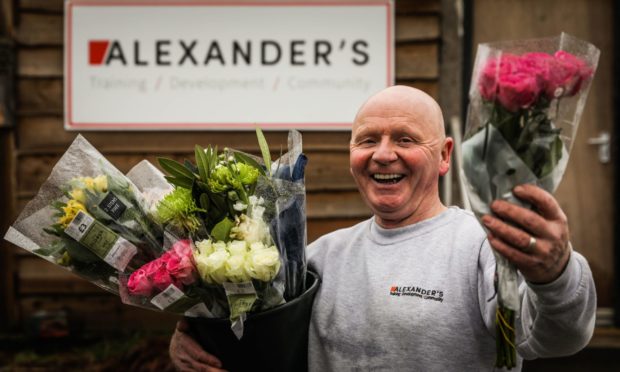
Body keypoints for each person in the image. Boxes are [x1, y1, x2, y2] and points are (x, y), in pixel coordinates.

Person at [169, 85, 596, 371]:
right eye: (368, 140)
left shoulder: (481, 247)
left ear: (445, 155)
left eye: (406, 139)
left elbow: (556, 339)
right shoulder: (320, 256)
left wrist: (556, 275)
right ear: (352, 152)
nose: (383, 155)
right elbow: (262, 343)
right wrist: (194, 339)